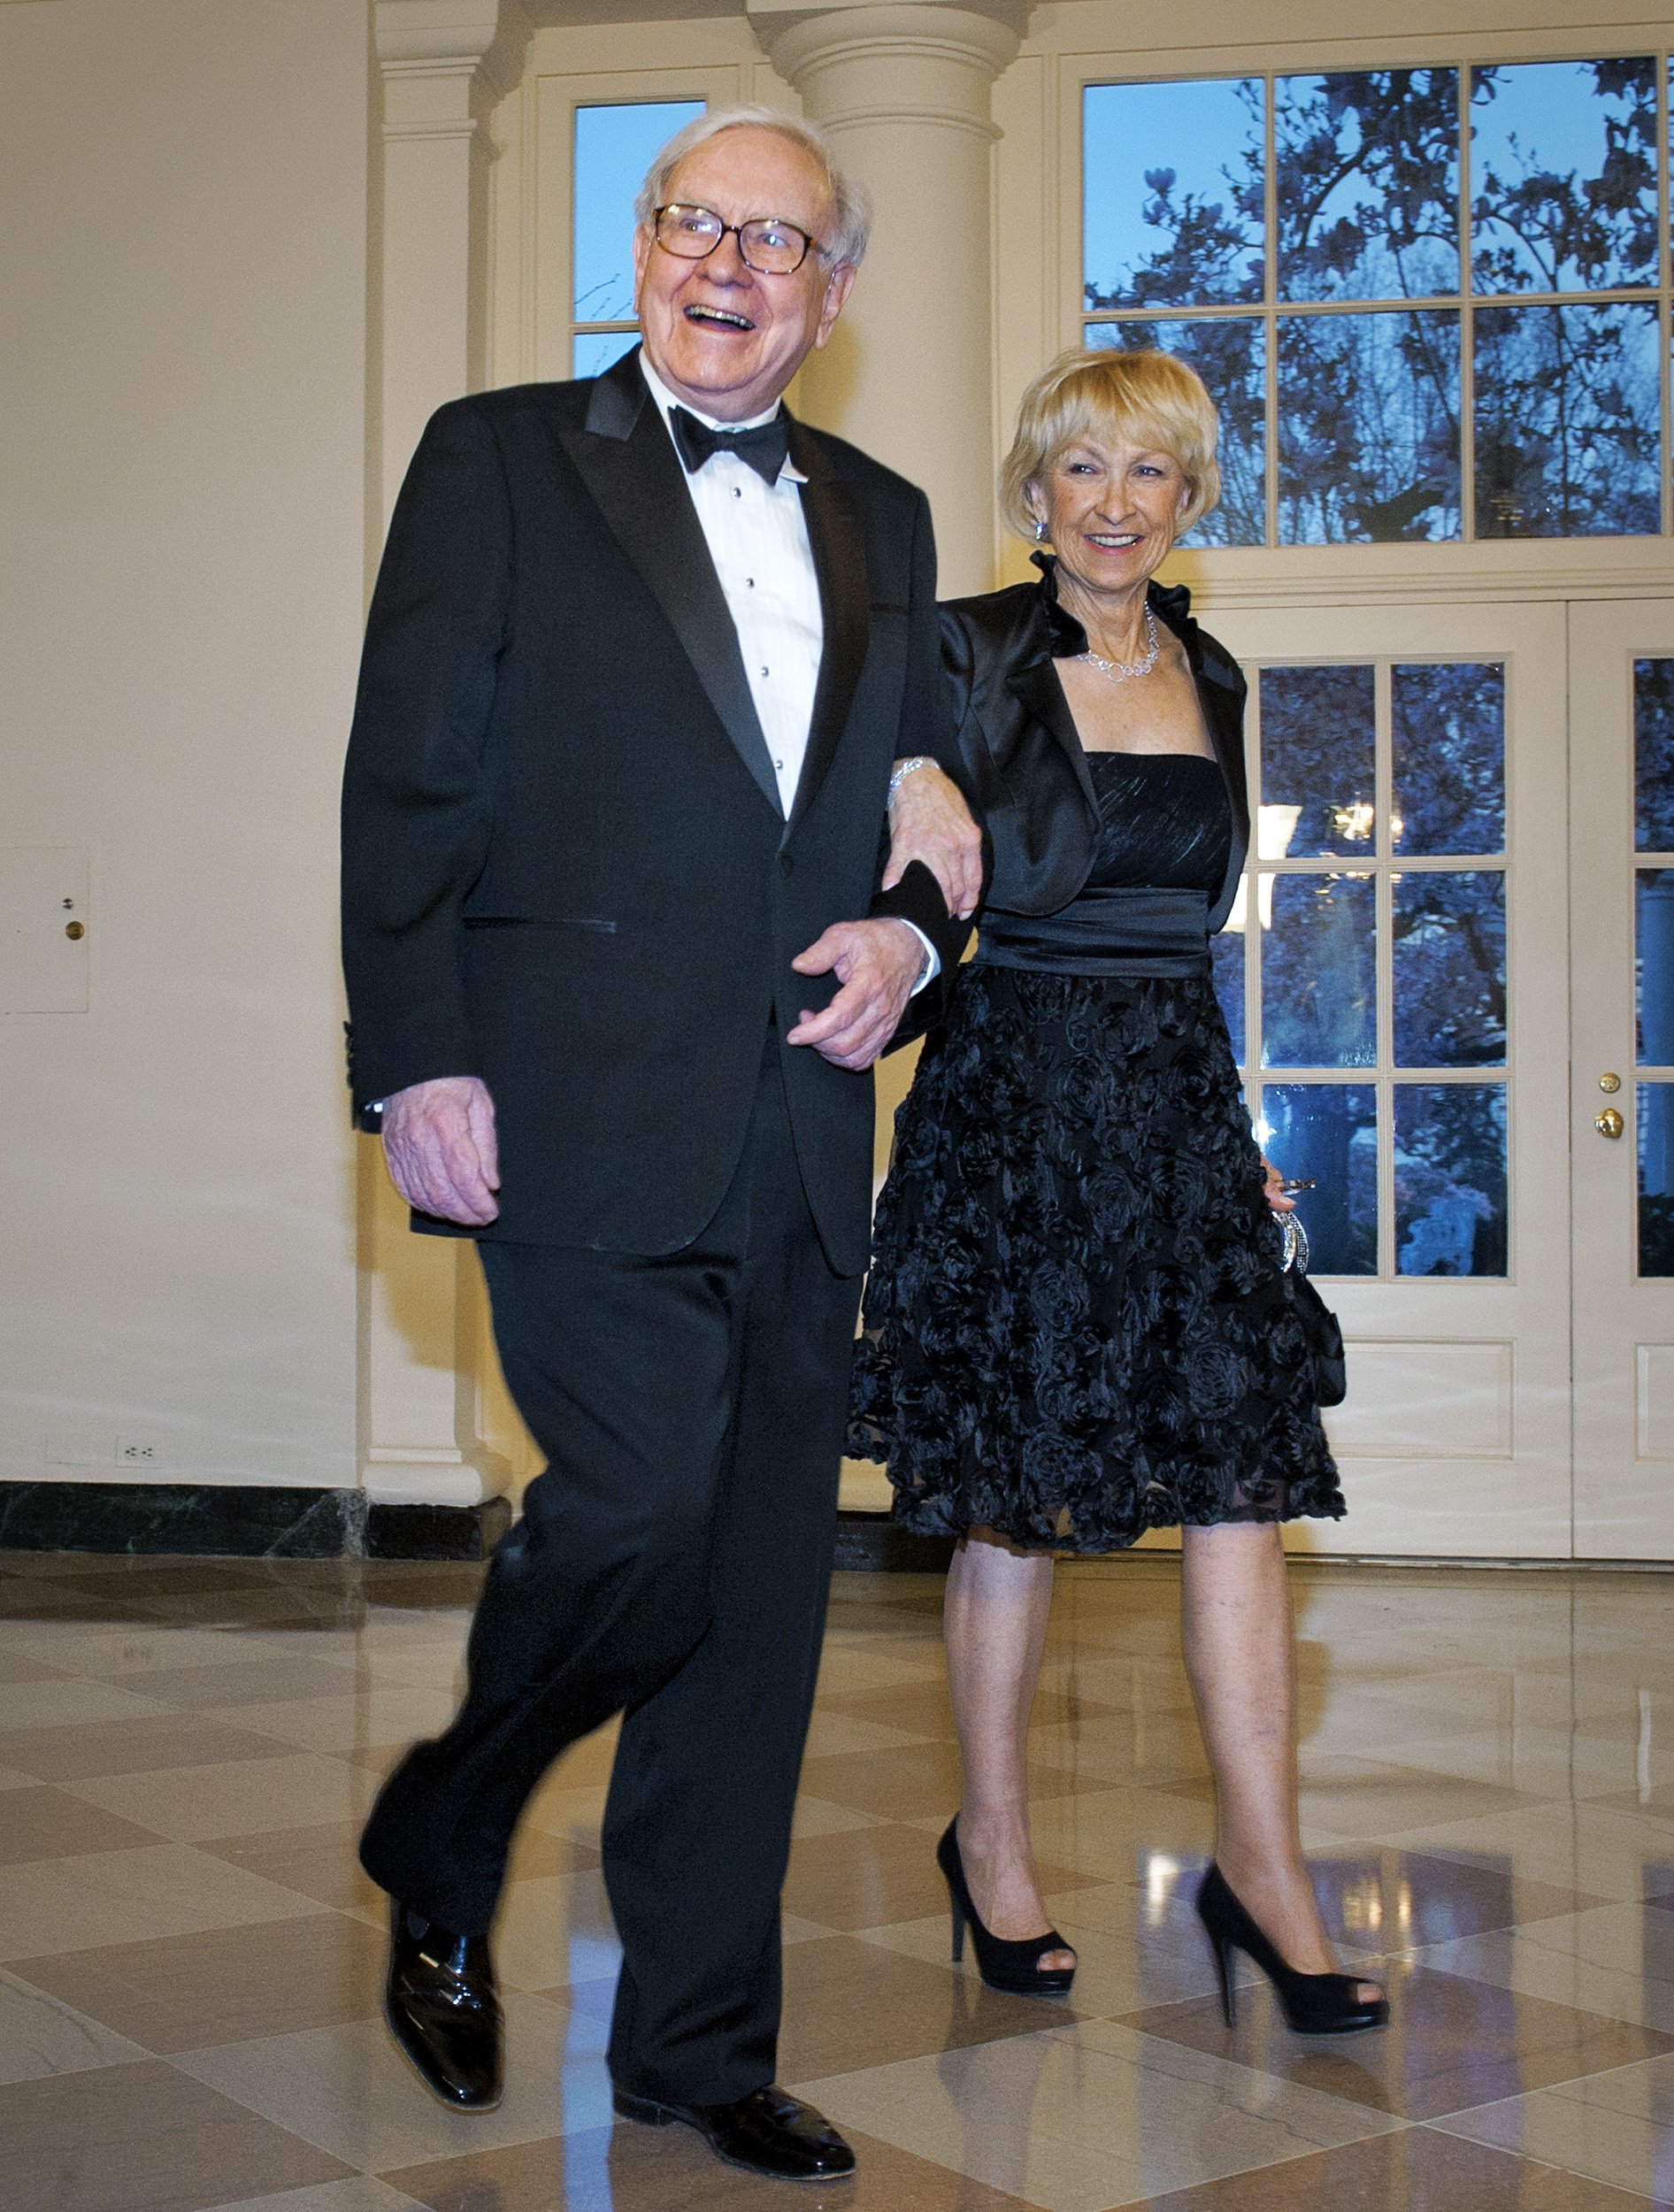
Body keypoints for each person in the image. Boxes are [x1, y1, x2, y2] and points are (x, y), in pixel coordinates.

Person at [341, 105, 981, 2184]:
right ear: (643, 245)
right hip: (567, 1104)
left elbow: (935, 797)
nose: (728, 262)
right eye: (694, 221)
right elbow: (407, 779)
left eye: (776, 238)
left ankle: (695, 2046)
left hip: (799, 1125)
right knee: (636, 1512)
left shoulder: (884, 513)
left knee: (757, 1604)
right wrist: (412, 1053)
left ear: (831, 290)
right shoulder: (500, 454)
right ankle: (449, 1822)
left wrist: (911, 929)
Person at [849, 347, 1387, 2037]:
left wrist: (1232, 1144)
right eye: (1083, 470)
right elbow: (871, 780)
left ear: (1186, 499)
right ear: (1037, 493)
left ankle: (1264, 1864)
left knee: (1241, 1478)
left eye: (1148, 473)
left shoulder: (1218, 675)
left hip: (1173, 1105)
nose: (1114, 504)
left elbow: (1204, 924)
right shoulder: (961, 649)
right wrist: (909, 778)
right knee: (1014, 1494)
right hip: (1014, 1100)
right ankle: (991, 1842)